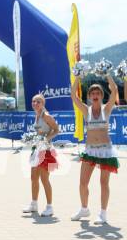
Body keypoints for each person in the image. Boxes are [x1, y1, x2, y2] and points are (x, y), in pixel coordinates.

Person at [70, 76, 119, 224]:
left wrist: (107, 75)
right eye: (92, 94)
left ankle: (103, 214)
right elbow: (73, 96)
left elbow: (115, 90)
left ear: (101, 96)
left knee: (103, 183)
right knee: (83, 183)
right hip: (90, 151)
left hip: (105, 151)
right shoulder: (86, 110)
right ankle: (84, 209)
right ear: (89, 97)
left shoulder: (107, 109)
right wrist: (78, 77)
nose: (95, 95)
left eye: (98, 93)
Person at [22, 94, 59, 216]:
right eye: (33, 101)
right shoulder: (37, 115)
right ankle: (34, 204)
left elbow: (57, 130)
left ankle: (49, 207)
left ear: (43, 103)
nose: (35, 103)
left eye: (38, 101)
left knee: (44, 179)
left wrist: (45, 139)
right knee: (33, 178)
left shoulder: (46, 116)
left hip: (46, 150)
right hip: (37, 149)